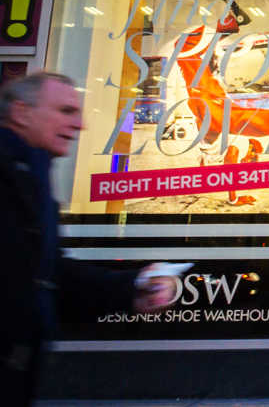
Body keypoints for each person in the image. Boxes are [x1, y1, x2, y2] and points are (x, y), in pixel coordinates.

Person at [0, 72, 177, 406]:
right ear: (22, 112)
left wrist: (135, 286)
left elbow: (49, 274)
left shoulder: (34, 175)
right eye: (65, 111)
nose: (80, 124)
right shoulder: (16, 176)